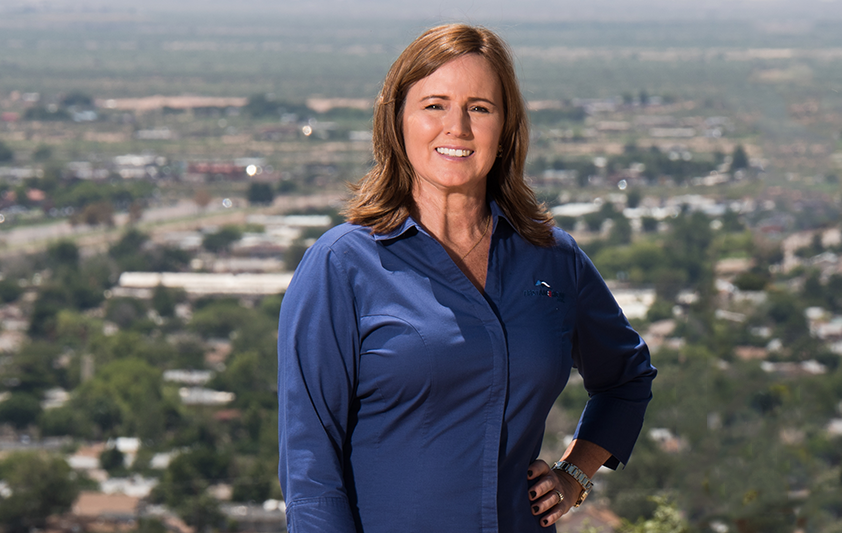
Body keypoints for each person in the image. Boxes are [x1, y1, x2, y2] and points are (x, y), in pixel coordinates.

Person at [277, 23, 656, 532]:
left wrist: (573, 475)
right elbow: (311, 471)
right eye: (434, 105)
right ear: (398, 122)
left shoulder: (551, 260)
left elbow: (626, 380)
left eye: (479, 107)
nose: (456, 126)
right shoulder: (341, 266)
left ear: (505, 129)